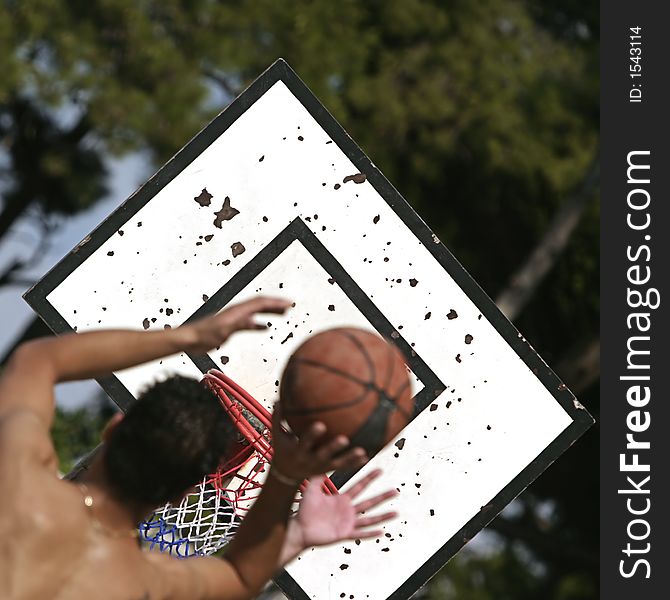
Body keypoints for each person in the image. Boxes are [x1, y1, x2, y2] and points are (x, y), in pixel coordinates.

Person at [0, 297, 398, 599]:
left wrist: (188, 335)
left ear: (115, 425)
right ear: (186, 491)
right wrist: (286, 480)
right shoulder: (144, 583)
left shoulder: (18, 477)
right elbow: (240, 577)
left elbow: (38, 359)